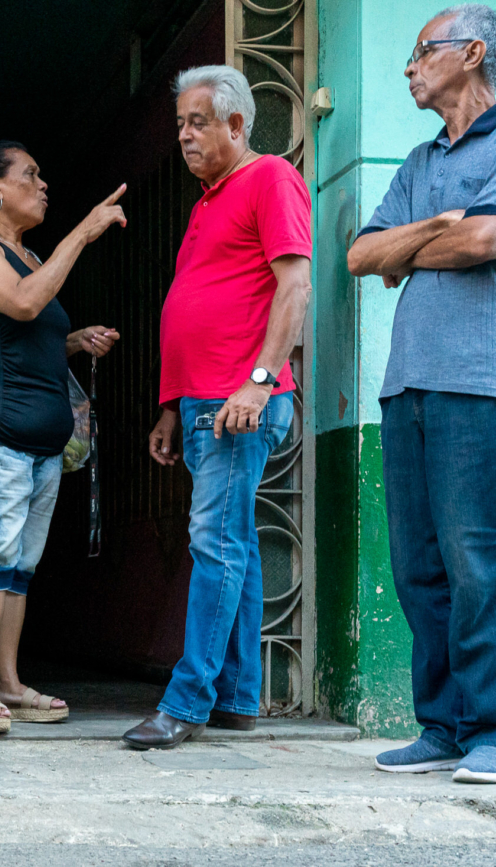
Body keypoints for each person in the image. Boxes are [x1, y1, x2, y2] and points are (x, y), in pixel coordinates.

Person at [123, 65, 312, 751]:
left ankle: (187, 701)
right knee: (235, 546)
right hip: (203, 402)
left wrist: (259, 380)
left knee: (216, 543)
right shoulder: (208, 201)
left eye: (197, 122)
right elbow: (197, 306)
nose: (184, 135)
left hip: (241, 401)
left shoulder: (270, 178)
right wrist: (171, 407)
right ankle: (237, 696)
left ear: (236, 123)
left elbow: (294, 286)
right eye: (180, 124)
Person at [346, 4, 496, 784]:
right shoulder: (417, 160)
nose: (409, 67)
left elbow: (484, 238)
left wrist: (413, 245)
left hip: (477, 380)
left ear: (472, 53)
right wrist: (438, 225)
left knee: (476, 561)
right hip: (403, 385)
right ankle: (441, 725)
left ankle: (490, 729)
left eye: (421, 51)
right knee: (417, 566)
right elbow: (360, 255)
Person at [0, 140, 124, 733]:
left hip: (39, 442)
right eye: (31, 175)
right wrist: (83, 233)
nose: (43, 186)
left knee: (18, 565)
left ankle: (8, 683)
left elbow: (20, 334)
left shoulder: (30, 254)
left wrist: (73, 340)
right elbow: (21, 304)